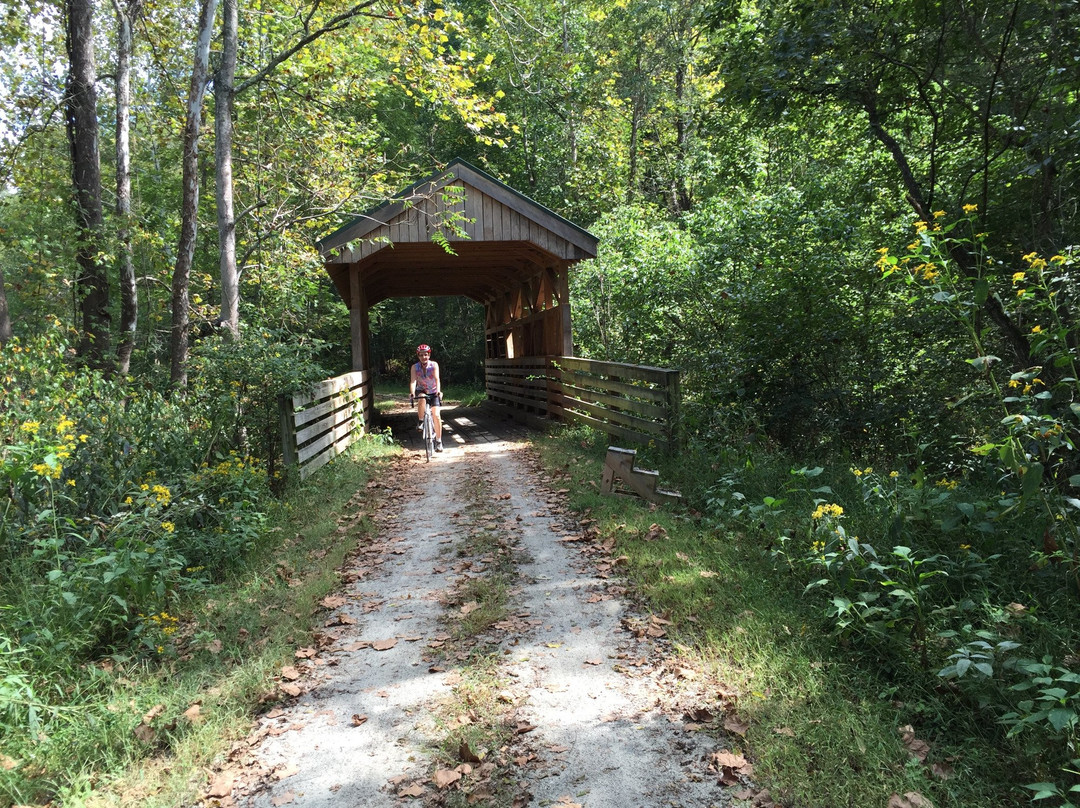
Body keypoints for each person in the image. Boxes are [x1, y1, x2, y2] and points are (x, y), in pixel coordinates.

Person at [409, 343, 443, 452]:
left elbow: (437, 379)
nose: (424, 357)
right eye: (421, 355)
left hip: (433, 391)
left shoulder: (434, 365)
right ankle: (421, 421)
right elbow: (413, 381)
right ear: (418, 355)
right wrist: (412, 392)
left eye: (426, 355)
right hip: (422, 389)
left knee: (436, 415)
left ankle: (438, 441)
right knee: (422, 397)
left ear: (429, 355)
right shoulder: (415, 367)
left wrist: (438, 391)